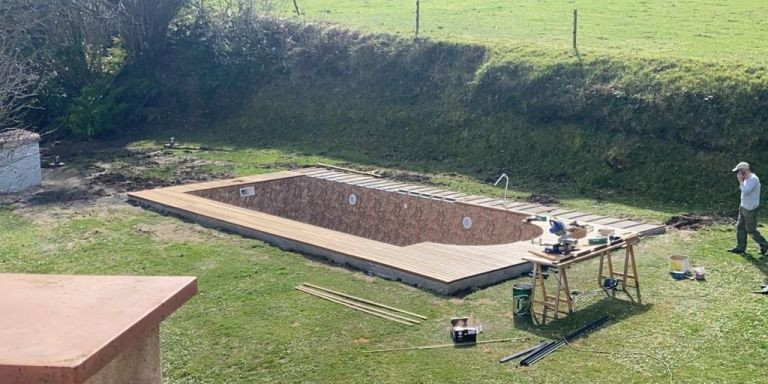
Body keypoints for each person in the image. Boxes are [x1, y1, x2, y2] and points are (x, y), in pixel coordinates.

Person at [728, 162, 768, 256]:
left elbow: (746, 191)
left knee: (751, 230)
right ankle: (740, 247)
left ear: (744, 170)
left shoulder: (753, 179)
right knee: (740, 227)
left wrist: (740, 181)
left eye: (739, 171)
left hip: (751, 208)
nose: (738, 174)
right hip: (743, 206)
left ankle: (765, 244)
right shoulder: (746, 179)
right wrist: (742, 181)